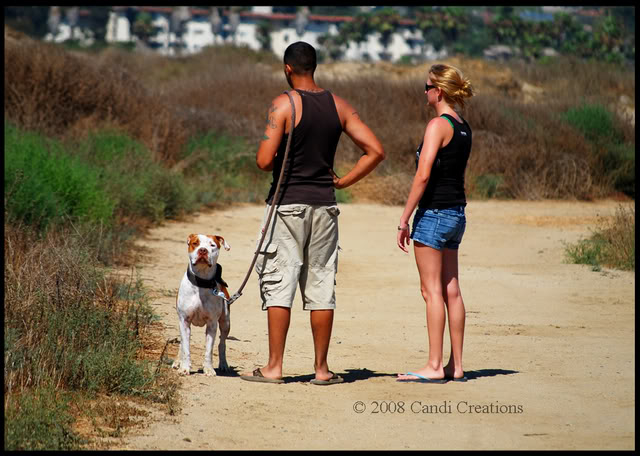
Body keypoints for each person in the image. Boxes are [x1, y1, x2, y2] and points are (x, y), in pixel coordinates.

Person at [240, 41, 385, 384]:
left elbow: (263, 162)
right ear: (314, 66)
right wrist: (343, 182)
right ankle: (322, 370)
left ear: (288, 68)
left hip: (286, 205)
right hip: (325, 206)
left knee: (279, 283)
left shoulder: (283, 104)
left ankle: (274, 367)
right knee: (320, 285)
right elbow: (376, 150)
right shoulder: (339, 105)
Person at [396, 63, 474, 383]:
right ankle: (456, 366)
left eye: (427, 87)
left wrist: (404, 219)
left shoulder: (437, 125)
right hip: (456, 213)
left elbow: (423, 174)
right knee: (451, 289)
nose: (425, 92)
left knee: (432, 292)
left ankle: (434, 365)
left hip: (434, 214)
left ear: (438, 91)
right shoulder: (463, 125)